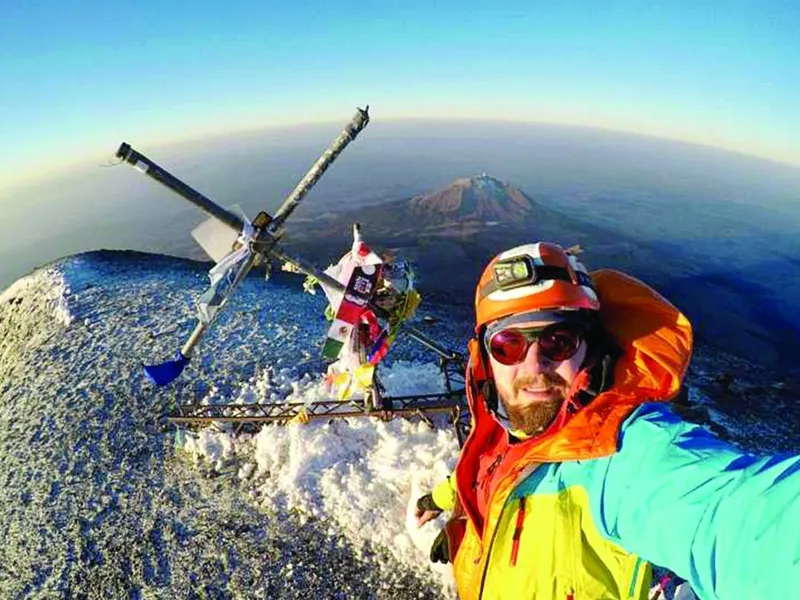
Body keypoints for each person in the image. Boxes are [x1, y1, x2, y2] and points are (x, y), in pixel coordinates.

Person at [414, 241, 800, 600]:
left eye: (558, 341)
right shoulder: (510, 421)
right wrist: (453, 509)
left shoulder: (619, 455)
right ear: (485, 359)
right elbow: (494, 468)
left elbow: (736, 523)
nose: (534, 366)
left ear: (589, 349)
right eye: (509, 345)